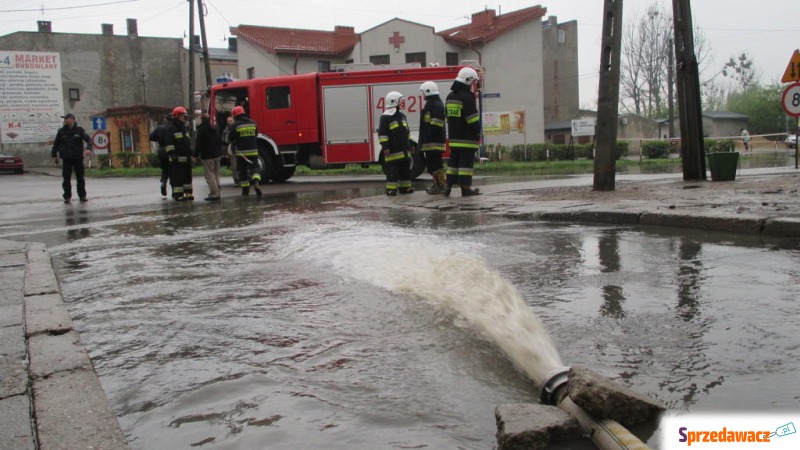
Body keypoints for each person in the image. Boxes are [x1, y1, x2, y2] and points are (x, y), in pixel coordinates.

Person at [444, 67, 482, 196]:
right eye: (473, 82)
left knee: (453, 164)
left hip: (454, 139)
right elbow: (472, 119)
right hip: (467, 139)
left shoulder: (450, 96)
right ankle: (465, 188)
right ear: (468, 81)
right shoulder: (467, 97)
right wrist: (478, 132)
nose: (473, 85)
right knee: (465, 165)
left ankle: (447, 187)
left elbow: (447, 117)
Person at [378, 91, 414, 196]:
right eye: (400, 101)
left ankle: (405, 188)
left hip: (404, 149)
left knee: (405, 169)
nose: (401, 103)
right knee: (392, 171)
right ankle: (391, 189)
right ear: (394, 102)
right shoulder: (385, 117)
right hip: (393, 149)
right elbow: (383, 134)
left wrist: (411, 144)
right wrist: (385, 147)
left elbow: (407, 132)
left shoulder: (402, 116)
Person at [51, 113, 92, 203]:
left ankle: (82, 196)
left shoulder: (79, 130)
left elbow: (88, 140)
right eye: (64, 119)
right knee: (66, 178)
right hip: (66, 158)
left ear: (72, 119)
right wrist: (54, 156)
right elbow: (56, 144)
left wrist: (88, 149)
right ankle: (67, 196)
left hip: (77, 158)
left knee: (80, 178)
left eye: (67, 118)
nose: (65, 120)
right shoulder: (61, 131)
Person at [418, 81, 447, 194]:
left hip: (434, 142)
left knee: (435, 164)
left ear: (428, 91)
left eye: (423, 92)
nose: (423, 95)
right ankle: (436, 185)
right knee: (431, 164)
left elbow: (437, 124)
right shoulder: (432, 104)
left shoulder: (436, 105)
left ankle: (441, 185)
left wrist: (427, 136)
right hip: (430, 142)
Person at [227, 106, 262, 196]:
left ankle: (245, 190)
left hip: (242, 153)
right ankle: (256, 181)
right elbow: (256, 134)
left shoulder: (236, 125)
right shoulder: (253, 123)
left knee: (242, 171)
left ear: (235, 115)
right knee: (255, 168)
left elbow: (229, 139)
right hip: (253, 151)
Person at [162, 106, 194, 201]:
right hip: (176, 159)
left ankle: (188, 193)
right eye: (182, 116)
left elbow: (187, 143)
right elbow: (169, 144)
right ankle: (178, 194)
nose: (184, 118)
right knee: (177, 178)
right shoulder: (171, 129)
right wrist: (172, 154)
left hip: (186, 158)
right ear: (176, 116)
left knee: (187, 177)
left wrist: (191, 154)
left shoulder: (184, 128)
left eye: (184, 116)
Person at [194, 113, 222, 201]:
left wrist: (195, 155)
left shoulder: (202, 129)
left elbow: (199, 143)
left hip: (207, 155)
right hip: (217, 154)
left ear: (202, 120)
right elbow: (219, 140)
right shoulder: (216, 127)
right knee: (216, 174)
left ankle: (214, 194)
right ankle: (217, 191)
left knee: (209, 175)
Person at [149, 116, 170, 197]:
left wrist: (159, 138)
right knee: (173, 170)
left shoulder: (159, 128)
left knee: (165, 170)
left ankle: (163, 181)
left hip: (162, 152)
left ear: (165, 119)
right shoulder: (173, 128)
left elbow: (151, 137)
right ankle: (175, 188)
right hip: (172, 152)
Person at [221, 115, 239, 187]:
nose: (230, 122)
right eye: (229, 121)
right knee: (234, 167)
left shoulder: (238, 128)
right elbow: (223, 143)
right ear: (227, 122)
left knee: (240, 166)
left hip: (239, 149)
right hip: (231, 150)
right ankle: (236, 180)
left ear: (234, 121)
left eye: (231, 121)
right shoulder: (225, 131)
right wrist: (225, 153)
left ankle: (242, 179)